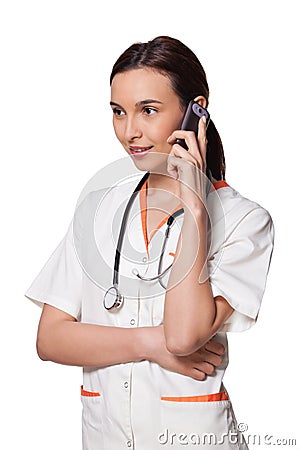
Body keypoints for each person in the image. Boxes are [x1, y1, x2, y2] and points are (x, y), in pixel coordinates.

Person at [25, 36, 274, 449]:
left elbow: (182, 337)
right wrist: (148, 343)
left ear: (197, 111)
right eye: (118, 112)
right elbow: (49, 339)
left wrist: (195, 210)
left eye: (148, 111)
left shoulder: (245, 221)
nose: (130, 132)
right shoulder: (98, 209)